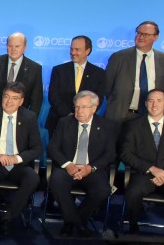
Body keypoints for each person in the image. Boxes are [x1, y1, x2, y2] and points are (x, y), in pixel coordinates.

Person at [0, 81, 43, 235]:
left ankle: (9, 216)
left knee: (33, 178)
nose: (9, 101)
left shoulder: (29, 117)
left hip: (18, 165)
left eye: (15, 98)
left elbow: (37, 148)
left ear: (21, 101)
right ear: (2, 97)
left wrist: (17, 158)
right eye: (6, 97)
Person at [121, 89, 164, 237]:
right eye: (151, 101)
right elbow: (126, 154)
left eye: (159, 101)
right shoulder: (133, 125)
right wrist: (151, 168)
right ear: (146, 104)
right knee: (133, 191)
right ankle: (133, 231)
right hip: (144, 173)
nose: (154, 105)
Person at [47, 90, 115, 238]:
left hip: (92, 169)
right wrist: (68, 165)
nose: (79, 111)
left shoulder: (106, 125)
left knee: (103, 190)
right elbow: (52, 148)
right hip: (68, 168)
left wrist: (90, 168)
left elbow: (110, 154)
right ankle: (79, 224)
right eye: (76, 107)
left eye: (83, 107)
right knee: (56, 182)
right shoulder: (64, 122)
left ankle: (72, 222)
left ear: (94, 108)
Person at [104, 21, 164, 128]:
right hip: (120, 115)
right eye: (139, 33)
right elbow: (107, 87)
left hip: (150, 116)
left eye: (145, 34)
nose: (140, 37)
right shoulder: (119, 57)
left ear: (155, 37)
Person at [0, 32, 43, 119]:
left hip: (20, 119)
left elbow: (36, 100)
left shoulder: (35, 68)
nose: (13, 49)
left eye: (17, 46)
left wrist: (31, 121)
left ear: (24, 48)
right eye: (10, 46)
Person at [46, 36, 106, 132]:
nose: (73, 53)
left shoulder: (99, 73)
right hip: (59, 121)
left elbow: (98, 99)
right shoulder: (59, 70)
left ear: (87, 51)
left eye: (77, 49)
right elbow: (53, 97)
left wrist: (82, 114)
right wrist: (69, 115)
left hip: (85, 123)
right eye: (71, 49)